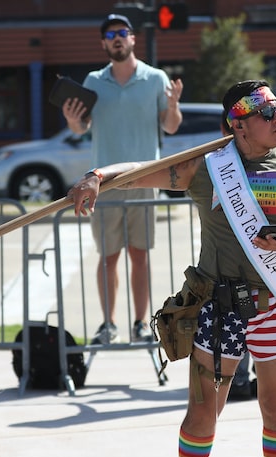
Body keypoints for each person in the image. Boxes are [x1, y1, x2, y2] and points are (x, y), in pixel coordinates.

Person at [65, 80, 276, 457]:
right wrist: (95, 175)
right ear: (239, 125)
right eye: (268, 114)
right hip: (219, 307)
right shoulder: (209, 169)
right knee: (201, 412)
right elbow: (140, 171)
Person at [62, 13, 183, 345]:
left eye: (123, 32)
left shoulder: (156, 78)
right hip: (103, 184)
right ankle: (108, 324)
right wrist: (73, 122)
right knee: (109, 256)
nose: (117, 38)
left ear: (132, 39)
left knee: (140, 254)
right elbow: (81, 129)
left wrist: (173, 106)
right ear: (103, 43)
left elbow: (170, 126)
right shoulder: (93, 81)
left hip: (145, 180)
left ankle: (141, 323)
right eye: (110, 34)